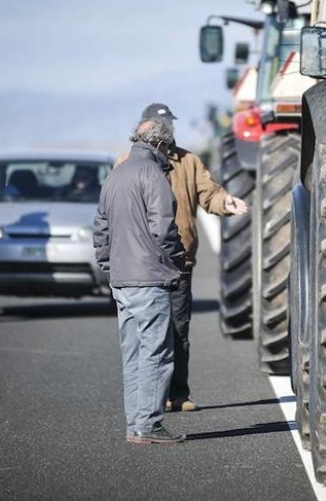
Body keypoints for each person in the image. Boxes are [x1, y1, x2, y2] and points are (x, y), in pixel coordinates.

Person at [116, 103, 248, 413]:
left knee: (178, 330)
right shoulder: (125, 163)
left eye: (168, 124)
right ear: (143, 128)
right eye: (161, 125)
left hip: (179, 261)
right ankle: (149, 397)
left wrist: (224, 201)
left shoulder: (188, 161)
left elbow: (208, 192)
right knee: (145, 333)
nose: (167, 130)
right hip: (142, 264)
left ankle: (178, 394)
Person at [95, 117, 187, 445]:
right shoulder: (152, 175)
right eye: (169, 147)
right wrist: (177, 262)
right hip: (149, 278)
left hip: (122, 280)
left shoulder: (115, 174)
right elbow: (164, 228)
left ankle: (135, 424)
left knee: (132, 353)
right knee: (157, 353)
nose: (170, 153)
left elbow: (101, 229)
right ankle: (148, 425)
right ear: (160, 144)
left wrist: (109, 267)